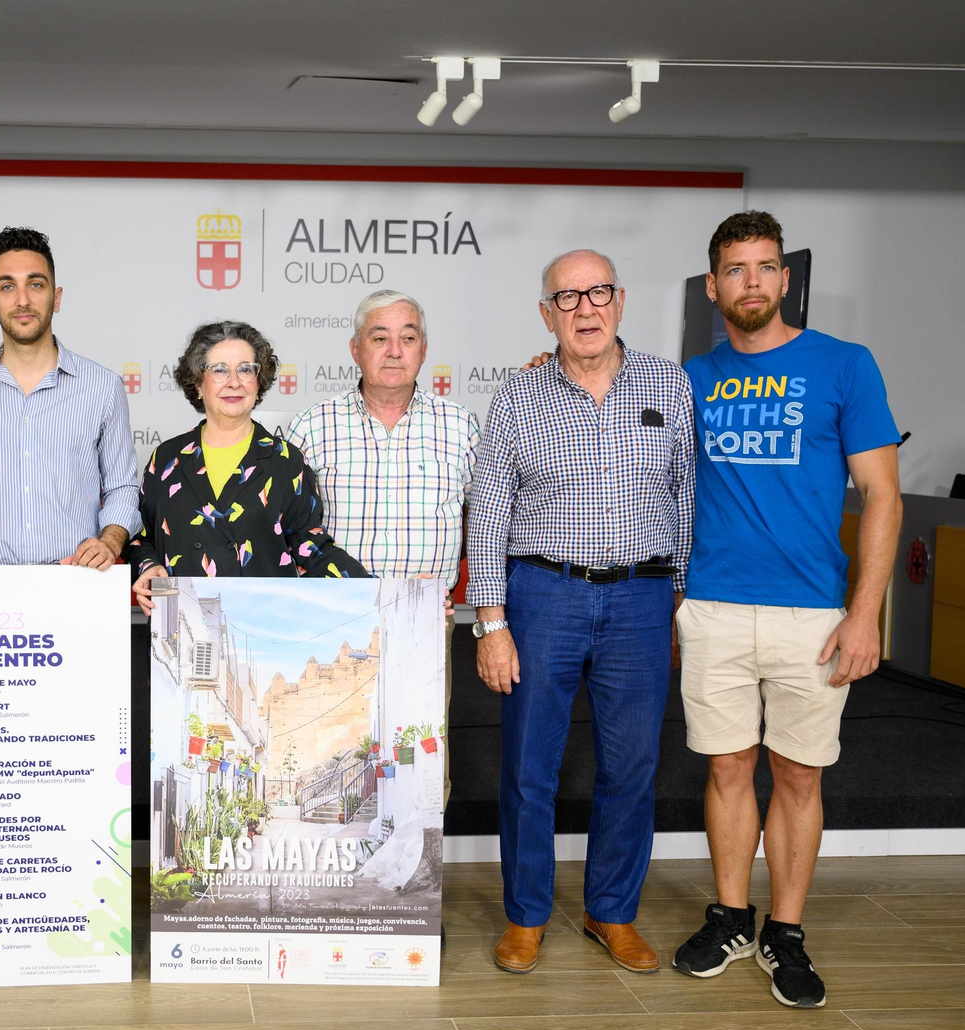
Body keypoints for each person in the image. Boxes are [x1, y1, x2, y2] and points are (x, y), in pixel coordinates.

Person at [671, 212, 902, 1008]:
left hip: (813, 613)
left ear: (785, 278)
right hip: (715, 606)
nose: (753, 282)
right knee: (729, 766)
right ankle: (733, 914)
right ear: (714, 285)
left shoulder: (844, 365)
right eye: (736, 269)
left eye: (766, 267)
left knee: (799, 775)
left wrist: (865, 611)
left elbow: (881, 493)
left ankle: (787, 931)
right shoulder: (692, 376)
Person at [467, 249, 694, 976]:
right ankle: (527, 915)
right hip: (543, 594)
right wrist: (491, 622)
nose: (585, 309)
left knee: (632, 764)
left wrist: (677, 599)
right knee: (530, 766)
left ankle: (612, 911)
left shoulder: (670, 383)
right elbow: (490, 512)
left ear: (620, 300)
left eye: (598, 293)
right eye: (567, 298)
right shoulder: (517, 396)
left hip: (642, 596)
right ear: (546, 314)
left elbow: (686, 493)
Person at [287, 289, 478, 805]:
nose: (394, 350)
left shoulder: (460, 427)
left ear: (423, 349)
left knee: (420, 767)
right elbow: (286, 533)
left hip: (425, 626)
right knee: (337, 762)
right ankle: (338, 881)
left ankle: (413, 880)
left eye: (407, 338)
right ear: (355, 349)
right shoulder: (312, 426)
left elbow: (486, 529)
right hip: (340, 631)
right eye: (380, 337)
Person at [0, 226, 139, 568]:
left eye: (35, 284)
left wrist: (110, 543)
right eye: (7, 286)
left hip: (76, 584)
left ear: (56, 297)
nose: (22, 300)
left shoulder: (103, 387)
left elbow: (122, 489)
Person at [130, 319, 368, 608]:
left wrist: (387, 592)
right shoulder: (166, 459)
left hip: (263, 630)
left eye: (246, 369)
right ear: (197, 383)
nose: (234, 381)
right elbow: (142, 538)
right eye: (219, 370)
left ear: (259, 381)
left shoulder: (286, 461)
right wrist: (148, 567)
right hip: (182, 625)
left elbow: (311, 548)